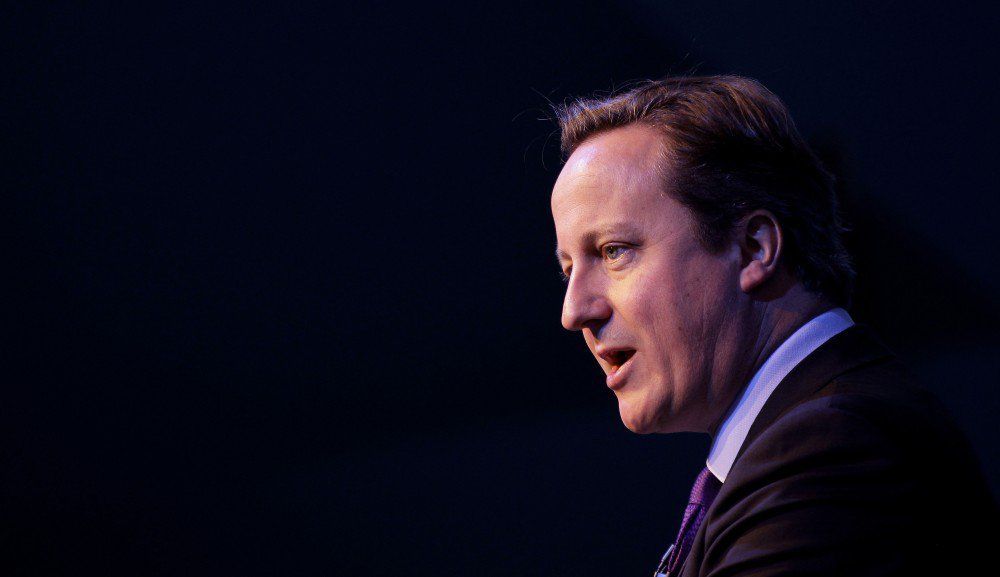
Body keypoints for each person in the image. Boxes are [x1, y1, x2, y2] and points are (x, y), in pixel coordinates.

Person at [549, 76, 996, 577]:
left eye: (613, 251)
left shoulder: (831, 450)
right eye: (568, 270)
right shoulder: (798, 440)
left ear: (754, 248)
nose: (574, 311)